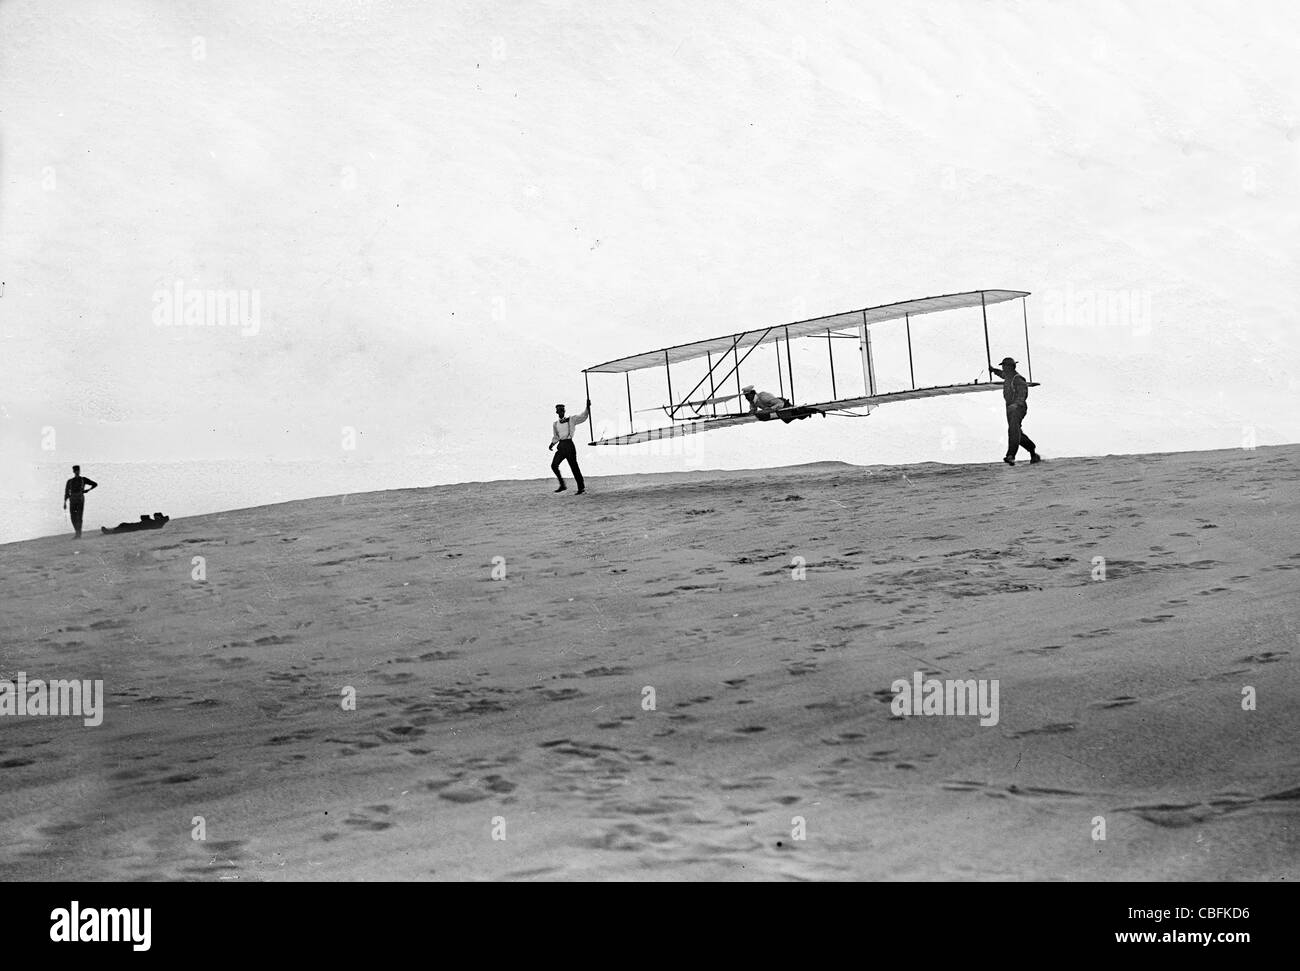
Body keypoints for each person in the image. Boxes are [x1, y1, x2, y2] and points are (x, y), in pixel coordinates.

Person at [989, 357, 1041, 466]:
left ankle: (1011, 456)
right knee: (1018, 434)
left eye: (1004, 366)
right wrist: (993, 370)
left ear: (1010, 367)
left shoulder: (1017, 378)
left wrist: (1016, 404)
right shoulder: (1008, 376)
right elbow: (1001, 374)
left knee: (1013, 430)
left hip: (1018, 408)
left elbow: (1023, 393)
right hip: (1010, 409)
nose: (1002, 367)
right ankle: (1033, 452)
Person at [549, 399, 590, 494]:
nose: (560, 412)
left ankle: (581, 488)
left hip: (569, 445)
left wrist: (587, 407)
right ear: (557, 412)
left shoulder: (571, 419)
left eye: (562, 410)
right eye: (559, 411)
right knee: (554, 465)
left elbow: (583, 417)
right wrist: (552, 444)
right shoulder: (555, 424)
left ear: (564, 411)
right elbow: (556, 436)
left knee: (574, 467)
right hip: (561, 446)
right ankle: (562, 485)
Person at [63, 465, 98, 539]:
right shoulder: (69, 481)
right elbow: (66, 492)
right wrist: (65, 502)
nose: (77, 472)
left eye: (78, 470)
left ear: (79, 471)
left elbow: (95, 484)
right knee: (73, 517)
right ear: (73, 471)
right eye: (75, 470)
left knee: (79, 516)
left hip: (80, 499)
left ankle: (78, 534)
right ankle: (77, 532)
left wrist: (87, 490)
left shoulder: (83, 479)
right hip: (72, 499)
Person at [102, 513, 169, 535]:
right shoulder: (156, 521)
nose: (156, 518)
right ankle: (111, 530)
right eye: (155, 517)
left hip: (137, 527)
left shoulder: (159, 522)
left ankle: (110, 532)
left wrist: (146, 519)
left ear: (160, 517)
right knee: (123, 524)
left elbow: (151, 524)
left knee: (124, 526)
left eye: (157, 517)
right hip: (137, 525)